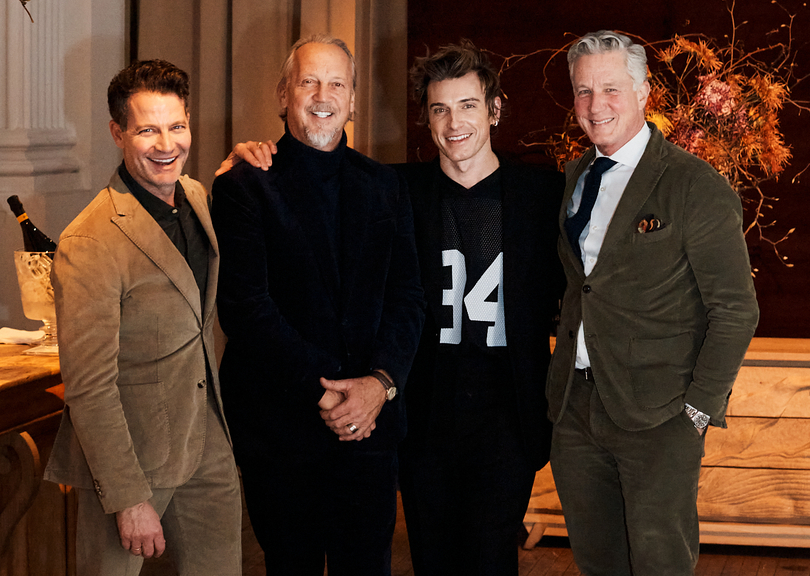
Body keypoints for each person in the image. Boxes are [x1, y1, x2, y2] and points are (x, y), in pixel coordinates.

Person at [219, 39, 564, 576]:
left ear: (494, 109)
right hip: (418, 415)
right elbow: (251, 301)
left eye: (468, 105)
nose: (454, 122)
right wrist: (245, 156)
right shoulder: (400, 186)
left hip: (501, 417)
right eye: (439, 109)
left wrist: (376, 385)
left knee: (490, 557)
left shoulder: (545, 193)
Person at [546, 30, 760, 575]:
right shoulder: (575, 177)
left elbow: (737, 310)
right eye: (584, 91)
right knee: (597, 563)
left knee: (660, 564)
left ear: (644, 93)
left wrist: (697, 411)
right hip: (576, 408)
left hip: (661, 416)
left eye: (611, 89)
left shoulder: (694, 185)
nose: (596, 104)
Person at [210, 34, 425, 576]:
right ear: (284, 94)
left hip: (370, 429)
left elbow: (407, 297)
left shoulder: (385, 185)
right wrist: (330, 394)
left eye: (336, 84)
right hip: (280, 431)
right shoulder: (243, 185)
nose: (322, 96)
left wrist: (378, 385)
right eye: (308, 82)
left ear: (353, 99)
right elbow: (246, 310)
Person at [44, 60, 242, 575]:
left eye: (177, 126)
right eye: (147, 130)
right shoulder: (89, 240)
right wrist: (128, 498)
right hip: (128, 461)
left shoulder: (196, 196)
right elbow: (88, 386)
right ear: (118, 133)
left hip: (207, 443)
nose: (166, 145)